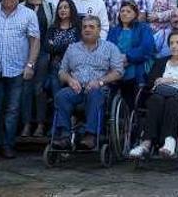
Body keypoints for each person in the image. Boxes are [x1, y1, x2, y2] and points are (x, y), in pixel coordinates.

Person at [0, 0, 40, 160]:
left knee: (13, 110)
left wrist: (30, 65)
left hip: (17, 70)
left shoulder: (28, 14)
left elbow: (35, 41)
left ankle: (7, 145)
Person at [51, 16, 124, 150]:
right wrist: (70, 80)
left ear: (99, 29)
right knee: (61, 95)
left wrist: (100, 81)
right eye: (84, 27)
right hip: (76, 89)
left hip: (99, 90)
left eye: (91, 27)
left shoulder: (110, 48)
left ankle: (91, 135)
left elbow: (118, 72)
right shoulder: (72, 48)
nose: (87, 29)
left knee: (95, 94)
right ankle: (65, 136)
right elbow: (62, 72)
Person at [129, 30, 178, 158]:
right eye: (171, 43)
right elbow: (150, 80)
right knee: (155, 100)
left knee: (173, 101)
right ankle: (146, 143)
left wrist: (172, 80)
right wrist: (158, 80)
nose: (174, 46)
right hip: (159, 94)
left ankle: (170, 141)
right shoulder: (160, 62)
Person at [20, 0, 52, 138]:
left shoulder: (48, 6)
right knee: (26, 89)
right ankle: (26, 123)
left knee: (39, 89)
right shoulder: (21, 7)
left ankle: (40, 124)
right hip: (24, 53)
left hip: (43, 53)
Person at [107, 1, 156, 108]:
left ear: (135, 14)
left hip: (136, 70)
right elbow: (107, 48)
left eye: (128, 11)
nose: (124, 13)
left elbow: (147, 48)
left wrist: (127, 57)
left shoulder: (143, 28)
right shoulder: (114, 31)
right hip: (116, 69)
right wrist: (116, 60)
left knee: (133, 102)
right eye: (122, 11)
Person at [45, 0, 81, 97]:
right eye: (60, 8)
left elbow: (79, 47)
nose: (62, 10)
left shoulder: (78, 28)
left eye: (66, 7)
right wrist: (68, 45)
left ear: (71, 10)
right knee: (57, 95)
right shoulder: (52, 28)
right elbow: (47, 48)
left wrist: (56, 46)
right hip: (56, 67)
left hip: (75, 67)